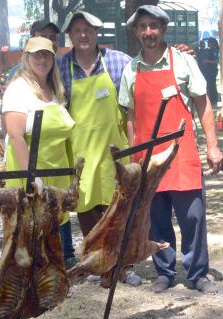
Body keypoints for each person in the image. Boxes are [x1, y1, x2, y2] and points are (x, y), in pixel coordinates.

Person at [119, 5, 223, 294]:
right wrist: (133, 157)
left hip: (182, 154)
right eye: (142, 27)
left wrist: (212, 147)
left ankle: (197, 273)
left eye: (153, 26)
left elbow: (202, 104)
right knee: (156, 219)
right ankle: (164, 271)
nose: (148, 32)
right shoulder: (132, 69)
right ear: (137, 32)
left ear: (163, 28)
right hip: (148, 157)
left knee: (193, 216)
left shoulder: (183, 62)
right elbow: (129, 115)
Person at [56, 11, 141, 284]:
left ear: (96, 33)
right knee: (87, 211)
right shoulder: (60, 68)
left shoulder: (118, 62)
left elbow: (142, 80)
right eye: (77, 30)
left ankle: (124, 267)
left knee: (117, 211)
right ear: (70, 35)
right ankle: (98, 264)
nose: (83, 35)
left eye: (88, 30)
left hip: (113, 152)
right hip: (80, 154)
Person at [1, 37, 75, 257]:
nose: (42, 59)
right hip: (32, 179)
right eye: (37, 54)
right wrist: (32, 178)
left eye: (47, 55)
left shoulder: (54, 90)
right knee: (30, 240)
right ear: (27, 57)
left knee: (53, 240)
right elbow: (15, 136)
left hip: (57, 175)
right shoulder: (18, 90)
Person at [195, 37, 219, 106]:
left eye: (208, 42)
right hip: (209, 71)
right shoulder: (209, 50)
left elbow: (216, 61)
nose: (207, 44)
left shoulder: (214, 50)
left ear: (211, 43)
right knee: (209, 85)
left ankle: (214, 99)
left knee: (212, 85)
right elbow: (199, 51)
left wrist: (207, 61)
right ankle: (212, 99)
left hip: (212, 71)